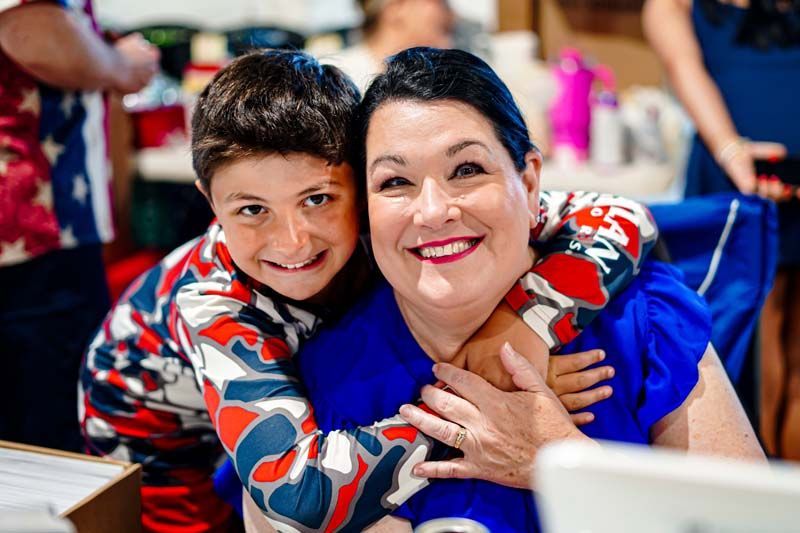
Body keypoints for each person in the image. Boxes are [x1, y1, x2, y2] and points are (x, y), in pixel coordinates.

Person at [80, 50, 658, 532]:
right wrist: (483, 402)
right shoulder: (213, 299)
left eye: (317, 199)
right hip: (159, 442)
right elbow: (298, 493)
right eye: (251, 210)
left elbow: (621, 215)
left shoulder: (392, 212)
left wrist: (523, 323)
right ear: (212, 205)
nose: (292, 241)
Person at [258, 47, 766, 532]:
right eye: (395, 182)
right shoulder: (319, 372)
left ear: (528, 184)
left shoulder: (646, 321)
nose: (433, 212)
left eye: (467, 170)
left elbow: (751, 524)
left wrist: (561, 462)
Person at [643, 0, 800, 458]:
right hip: (732, 176)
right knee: (748, 331)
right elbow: (684, 68)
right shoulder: (674, 6)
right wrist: (733, 152)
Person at [0, 0, 159, 451]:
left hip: (34, 227)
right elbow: (28, 27)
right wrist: (119, 66)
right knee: (50, 441)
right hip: (31, 227)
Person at [321, 0, 453, 91]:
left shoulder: (442, 81)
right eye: (440, 2)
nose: (452, 14)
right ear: (397, 8)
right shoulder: (332, 77)